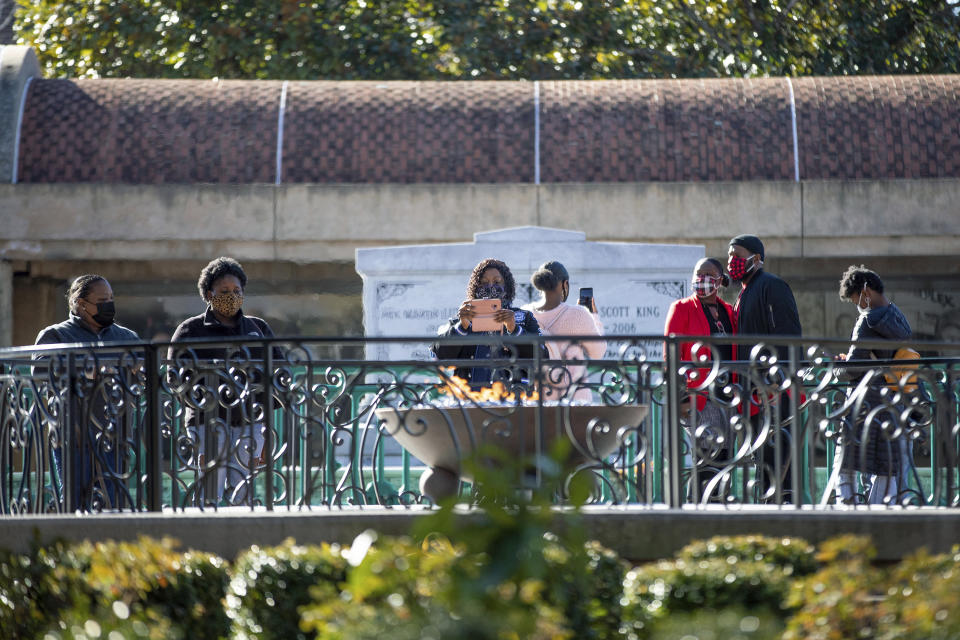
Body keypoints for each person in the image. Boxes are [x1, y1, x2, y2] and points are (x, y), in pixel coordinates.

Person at [169, 257, 277, 506]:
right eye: (224, 292)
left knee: (244, 490)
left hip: (250, 421)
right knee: (209, 490)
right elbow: (176, 378)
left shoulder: (257, 328)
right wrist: (205, 401)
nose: (232, 296)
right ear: (209, 294)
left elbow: (278, 373)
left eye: (237, 291)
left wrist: (263, 409)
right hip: (207, 422)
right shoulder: (190, 330)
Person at [35, 274, 141, 511]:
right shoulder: (56, 335)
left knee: (113, 503)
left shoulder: (126, 336)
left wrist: (137, 368)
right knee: (74, 502)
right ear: (81, 304)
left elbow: (144, 374)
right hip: (72, 433)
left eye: (111, 298)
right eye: (102, 299)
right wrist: (85, 369)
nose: (109, 304)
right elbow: (41, 371)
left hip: (115, 433)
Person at [727, 234, 802, 502]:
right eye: (729, 256)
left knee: (778, 457)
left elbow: (787, 336)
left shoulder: (772, 286)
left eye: (736, 255)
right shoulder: (745, 292)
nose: (730, 261)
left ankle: (784, 512)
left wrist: (777, 380)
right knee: (763, 460)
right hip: (754, 394)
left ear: (756, 259)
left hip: (772, 391)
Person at [833, 265, 912, 505]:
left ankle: (848, 512)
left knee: (843, 462)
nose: (857, 304)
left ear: (866, 292)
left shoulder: (866, 321)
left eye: (856, 298)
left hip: (864, 403)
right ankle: (881, 514)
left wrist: (837, 368)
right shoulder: (898, 317)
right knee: (886, 465)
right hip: (893, 399)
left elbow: (854, 367)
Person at [664, 258, 738, 501]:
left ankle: (719, 505)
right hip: (699, 396)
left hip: (728, 394)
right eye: (698, 274)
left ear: (719, 280)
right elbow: (671, 354)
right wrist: (681, 396)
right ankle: (698, 506)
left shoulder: (728, 311)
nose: (701, 279)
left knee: (725, 455)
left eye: (708, 274)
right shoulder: (682, 308)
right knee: (706, 454)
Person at [433, 258, 544, 389]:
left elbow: (542, 355)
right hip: (471, 399)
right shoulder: (462, 320)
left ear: (507, 287)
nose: (490, 287)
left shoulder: (524, 318)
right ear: (476, 288)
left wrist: (513, 329)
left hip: (513, 398)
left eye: (497, 282)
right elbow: (439, 357)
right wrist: (461, 328)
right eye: (484, 283)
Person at [522, 260, 605, 403]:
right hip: (573, 399)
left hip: (538, 400)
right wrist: (593, 317)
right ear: (564, 284)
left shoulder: (525, 313)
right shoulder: (578, 314)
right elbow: (598, 353)